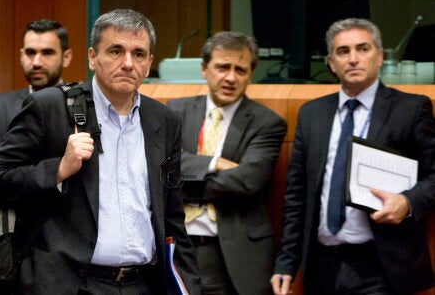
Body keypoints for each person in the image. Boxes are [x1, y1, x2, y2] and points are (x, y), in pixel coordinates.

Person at [0, 9, 200, 294]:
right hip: (69, 283)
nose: (127, 63)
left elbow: (172, 216)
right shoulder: (51, 107)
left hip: (142, 284)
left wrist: (188, 286)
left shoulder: (163, 120)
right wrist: (59, 169)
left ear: (149, 64)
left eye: (138, 54)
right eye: (115, 51)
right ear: (92, 57)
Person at [271, 18, 434, 295]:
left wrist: (407, 202)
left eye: (363, 49)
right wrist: (286, 262)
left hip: (382, 265)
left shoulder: (410, 108)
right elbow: (297, 195)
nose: (353, 59)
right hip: (322, 265)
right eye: (343, 52)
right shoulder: (312, 114)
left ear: (380, 56)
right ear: (331, 63)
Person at [167, 31, 286, 294]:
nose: (231, 77)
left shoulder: (267, 123)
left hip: (235, 255)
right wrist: (216, 163)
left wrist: (182, 183)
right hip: (177, 250)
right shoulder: (174, 111)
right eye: (222, 67)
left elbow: (246, 183)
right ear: (204, 69)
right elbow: (162, 169)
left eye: (240, 70)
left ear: (250, 75)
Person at [0, 19, 72, 181]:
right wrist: (57, 169)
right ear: (21, 56)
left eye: (47, 53)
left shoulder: (81, 102)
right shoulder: (1, 106)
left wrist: (9, 166)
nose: (36, 62)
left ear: (66, 57)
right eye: (30, 52)